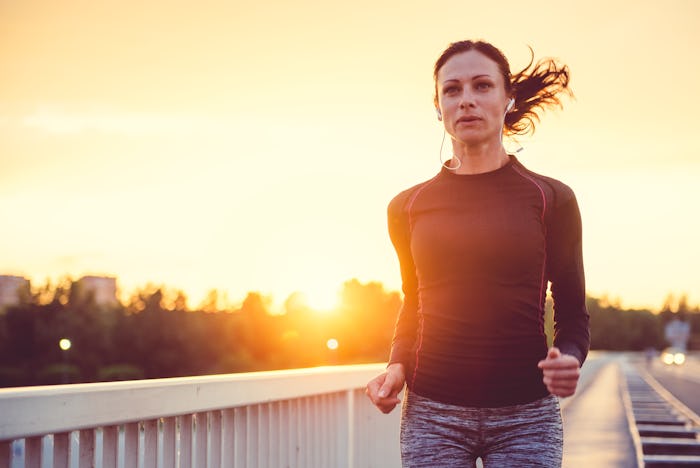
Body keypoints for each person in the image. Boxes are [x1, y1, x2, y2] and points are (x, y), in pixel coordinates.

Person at [365, 39, 590, 467]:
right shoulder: (406, 207)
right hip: (433, 417)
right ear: (438, 106)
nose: (466, 100)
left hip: (527, 417)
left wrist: (570, 359)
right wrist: (396, 366)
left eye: (482, 86)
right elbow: (414, 304)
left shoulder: (551, 199)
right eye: (452, 90)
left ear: (508, 99)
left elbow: (574, 314)